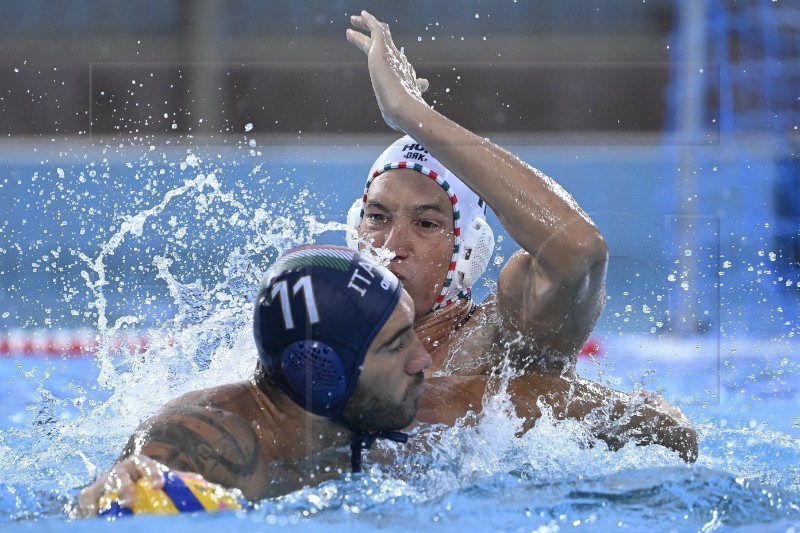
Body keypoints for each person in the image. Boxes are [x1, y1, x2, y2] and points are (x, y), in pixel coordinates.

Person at [345, 11, 698, 461]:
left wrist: (411, 114)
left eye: (426, 223)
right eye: (377, 218)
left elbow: (579, 250)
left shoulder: (501, 339)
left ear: (468, 252)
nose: (392, 246)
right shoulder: (319, 325)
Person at [72, 244, 432, 516]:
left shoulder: (385, 406)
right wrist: (128, 489)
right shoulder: (216, 439)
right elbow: (141, 482)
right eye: (395, 345)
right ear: (320, 369)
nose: (423, 359)